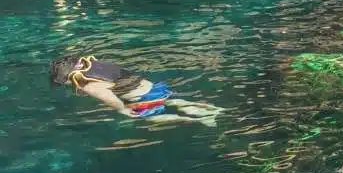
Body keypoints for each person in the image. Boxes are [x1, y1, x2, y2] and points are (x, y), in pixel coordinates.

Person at [49, 55, 221, 124]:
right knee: (173, 101)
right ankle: (213, 109)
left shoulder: (89, 85)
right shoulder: (94, 66)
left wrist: (122, 109)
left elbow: (109, 99)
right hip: (154, 88)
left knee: (154, 118)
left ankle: (197, 120)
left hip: (144, 101)